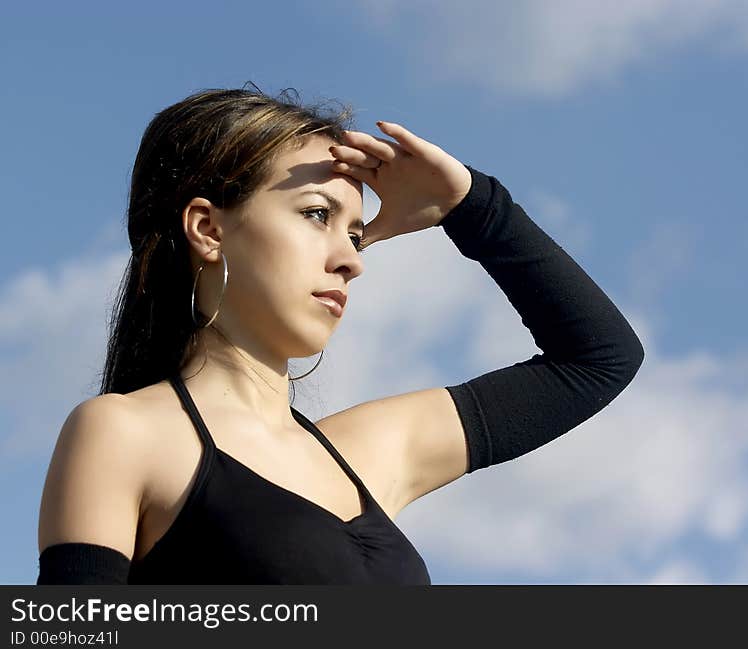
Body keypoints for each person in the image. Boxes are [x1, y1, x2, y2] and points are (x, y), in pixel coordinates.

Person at [36, 85, 645, 584]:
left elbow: (598, 357)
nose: (353, 260)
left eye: (355, 234)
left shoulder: (364, 454)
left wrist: (470, 204)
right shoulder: (124, 432)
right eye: (317, 215)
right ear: (208, 228)